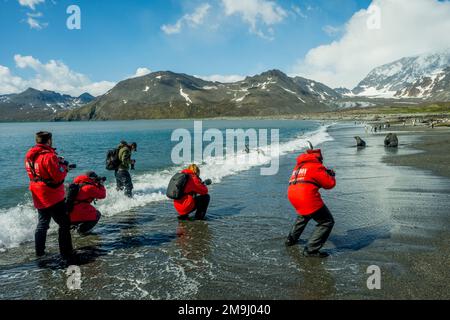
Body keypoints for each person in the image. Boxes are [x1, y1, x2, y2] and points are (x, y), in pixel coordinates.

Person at [25, 131, 73, 259]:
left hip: (37, 192)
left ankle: (39, 253)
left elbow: (34, 174)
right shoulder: (49, 156)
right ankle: (66, 252)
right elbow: (57, 177)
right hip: (52, 195)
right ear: (49, 141)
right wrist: (64, 167)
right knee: (64, 223)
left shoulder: (30, 155)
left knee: (43, 223)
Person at [285, 148, 336, 258]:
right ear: (318, 158)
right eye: (321, 159)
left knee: (304, 215)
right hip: (306, 196)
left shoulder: (298, 166)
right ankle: (311, 250)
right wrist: (331, 175)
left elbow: (308, 179)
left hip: (292, 194)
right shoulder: (316, 166)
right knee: (326, 221)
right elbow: (329, 184)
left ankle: (291, 240)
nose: (321, 162)